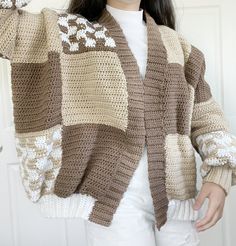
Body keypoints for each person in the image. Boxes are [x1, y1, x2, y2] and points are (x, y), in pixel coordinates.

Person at [1, 0, 236, 245]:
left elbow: (209, 120)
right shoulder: (70, 33)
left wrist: (219, 175)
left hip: (176, 198)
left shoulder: (180, 48)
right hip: (113, 204)